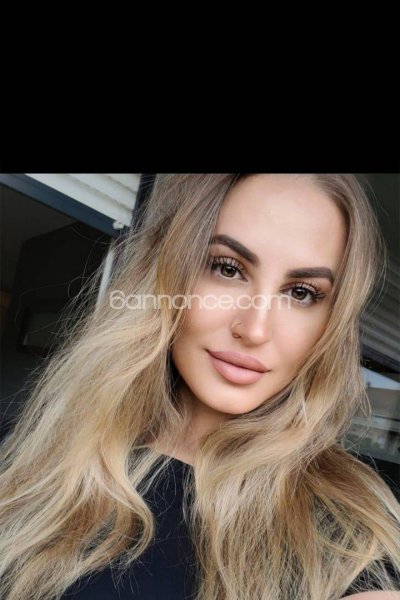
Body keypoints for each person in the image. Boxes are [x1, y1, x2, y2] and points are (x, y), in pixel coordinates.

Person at [0, 174, 399, 600]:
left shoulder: (351, 537)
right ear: (168, 273)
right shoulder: (30, 453)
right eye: (228, 268)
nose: (255, 329)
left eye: (301, 293)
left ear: (332, 325)